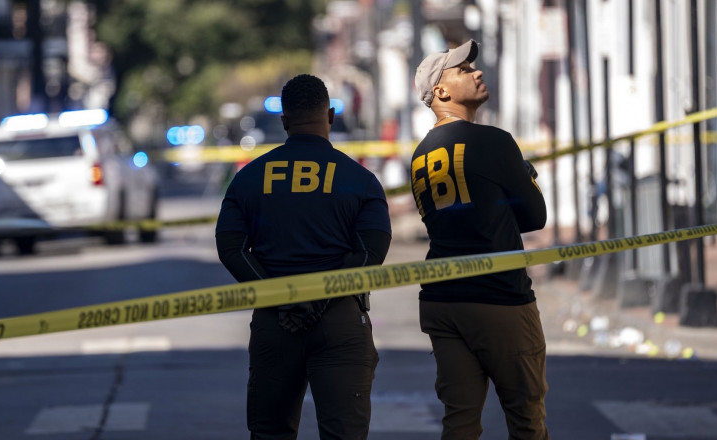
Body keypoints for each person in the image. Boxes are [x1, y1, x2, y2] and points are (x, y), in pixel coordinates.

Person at [215, 74, 392, 439]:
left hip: (275, 322)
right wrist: (322, 299)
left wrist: (281, 298)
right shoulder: (359, 180)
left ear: (284, 121)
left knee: (270, 433)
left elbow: (230, 248)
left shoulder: (249, 179)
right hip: (341, 321)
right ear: (329, 115)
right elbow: (371, 252)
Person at [410, 39, 550, 439]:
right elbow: (535, 217)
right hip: (499, 298)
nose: (477, 71)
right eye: (464, 70)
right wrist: (526, 174)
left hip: (442, 299)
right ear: (442, 91)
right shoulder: (493, 141)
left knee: (460, 421)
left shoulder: (420, 154)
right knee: (526, 417)